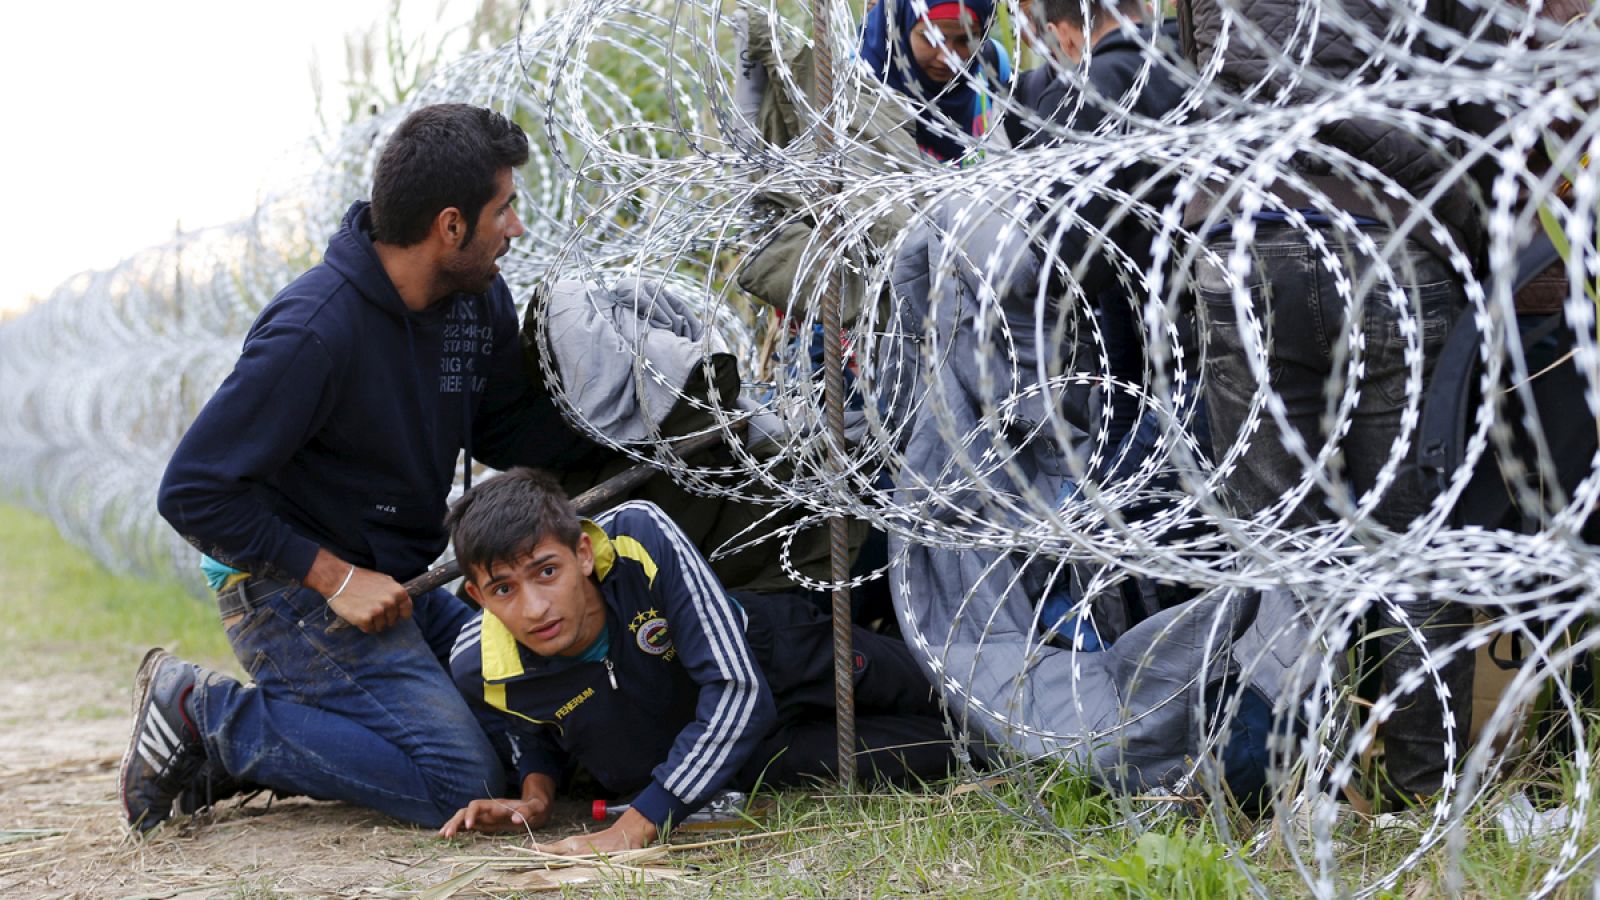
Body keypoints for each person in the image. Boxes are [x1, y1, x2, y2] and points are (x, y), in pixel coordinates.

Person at [121, 104, 598, 833]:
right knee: (458, 781)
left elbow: (507, 426)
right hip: (287, 591)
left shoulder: (474, 303)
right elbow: (192, 491)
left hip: (399, 582)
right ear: (449, 226)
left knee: (525, 728)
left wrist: (641, 444)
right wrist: (335, 579)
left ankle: (247, 753)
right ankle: (208, 717)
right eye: (504, 209)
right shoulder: (317, 330)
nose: (516, 228)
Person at [1176, 0, 1490, 806]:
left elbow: (1197, 69)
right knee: (1414, 544)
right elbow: (1476, 76)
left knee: (1287, 552)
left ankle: (1307, 785)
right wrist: (1471, 222)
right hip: (1393, 235)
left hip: (1249, 237)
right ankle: (1424, 794)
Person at [438, 468, 963, 852]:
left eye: (546, 571)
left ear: (580, 553)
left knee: (961, 691)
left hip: (786, 660)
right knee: (961, 751)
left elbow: (738, 689)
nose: (534, 608)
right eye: (504, 588)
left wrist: (635, 826)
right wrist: (534, 798)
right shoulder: (476, 666)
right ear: (478, 597)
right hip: (752, 756)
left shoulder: (636, 538)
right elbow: (535, 731)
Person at [859, 0, 1011, 163]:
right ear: (900, 23)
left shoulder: (991, 65)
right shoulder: (860, 81)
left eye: (965, 40)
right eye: (931, 38)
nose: (947, 58)